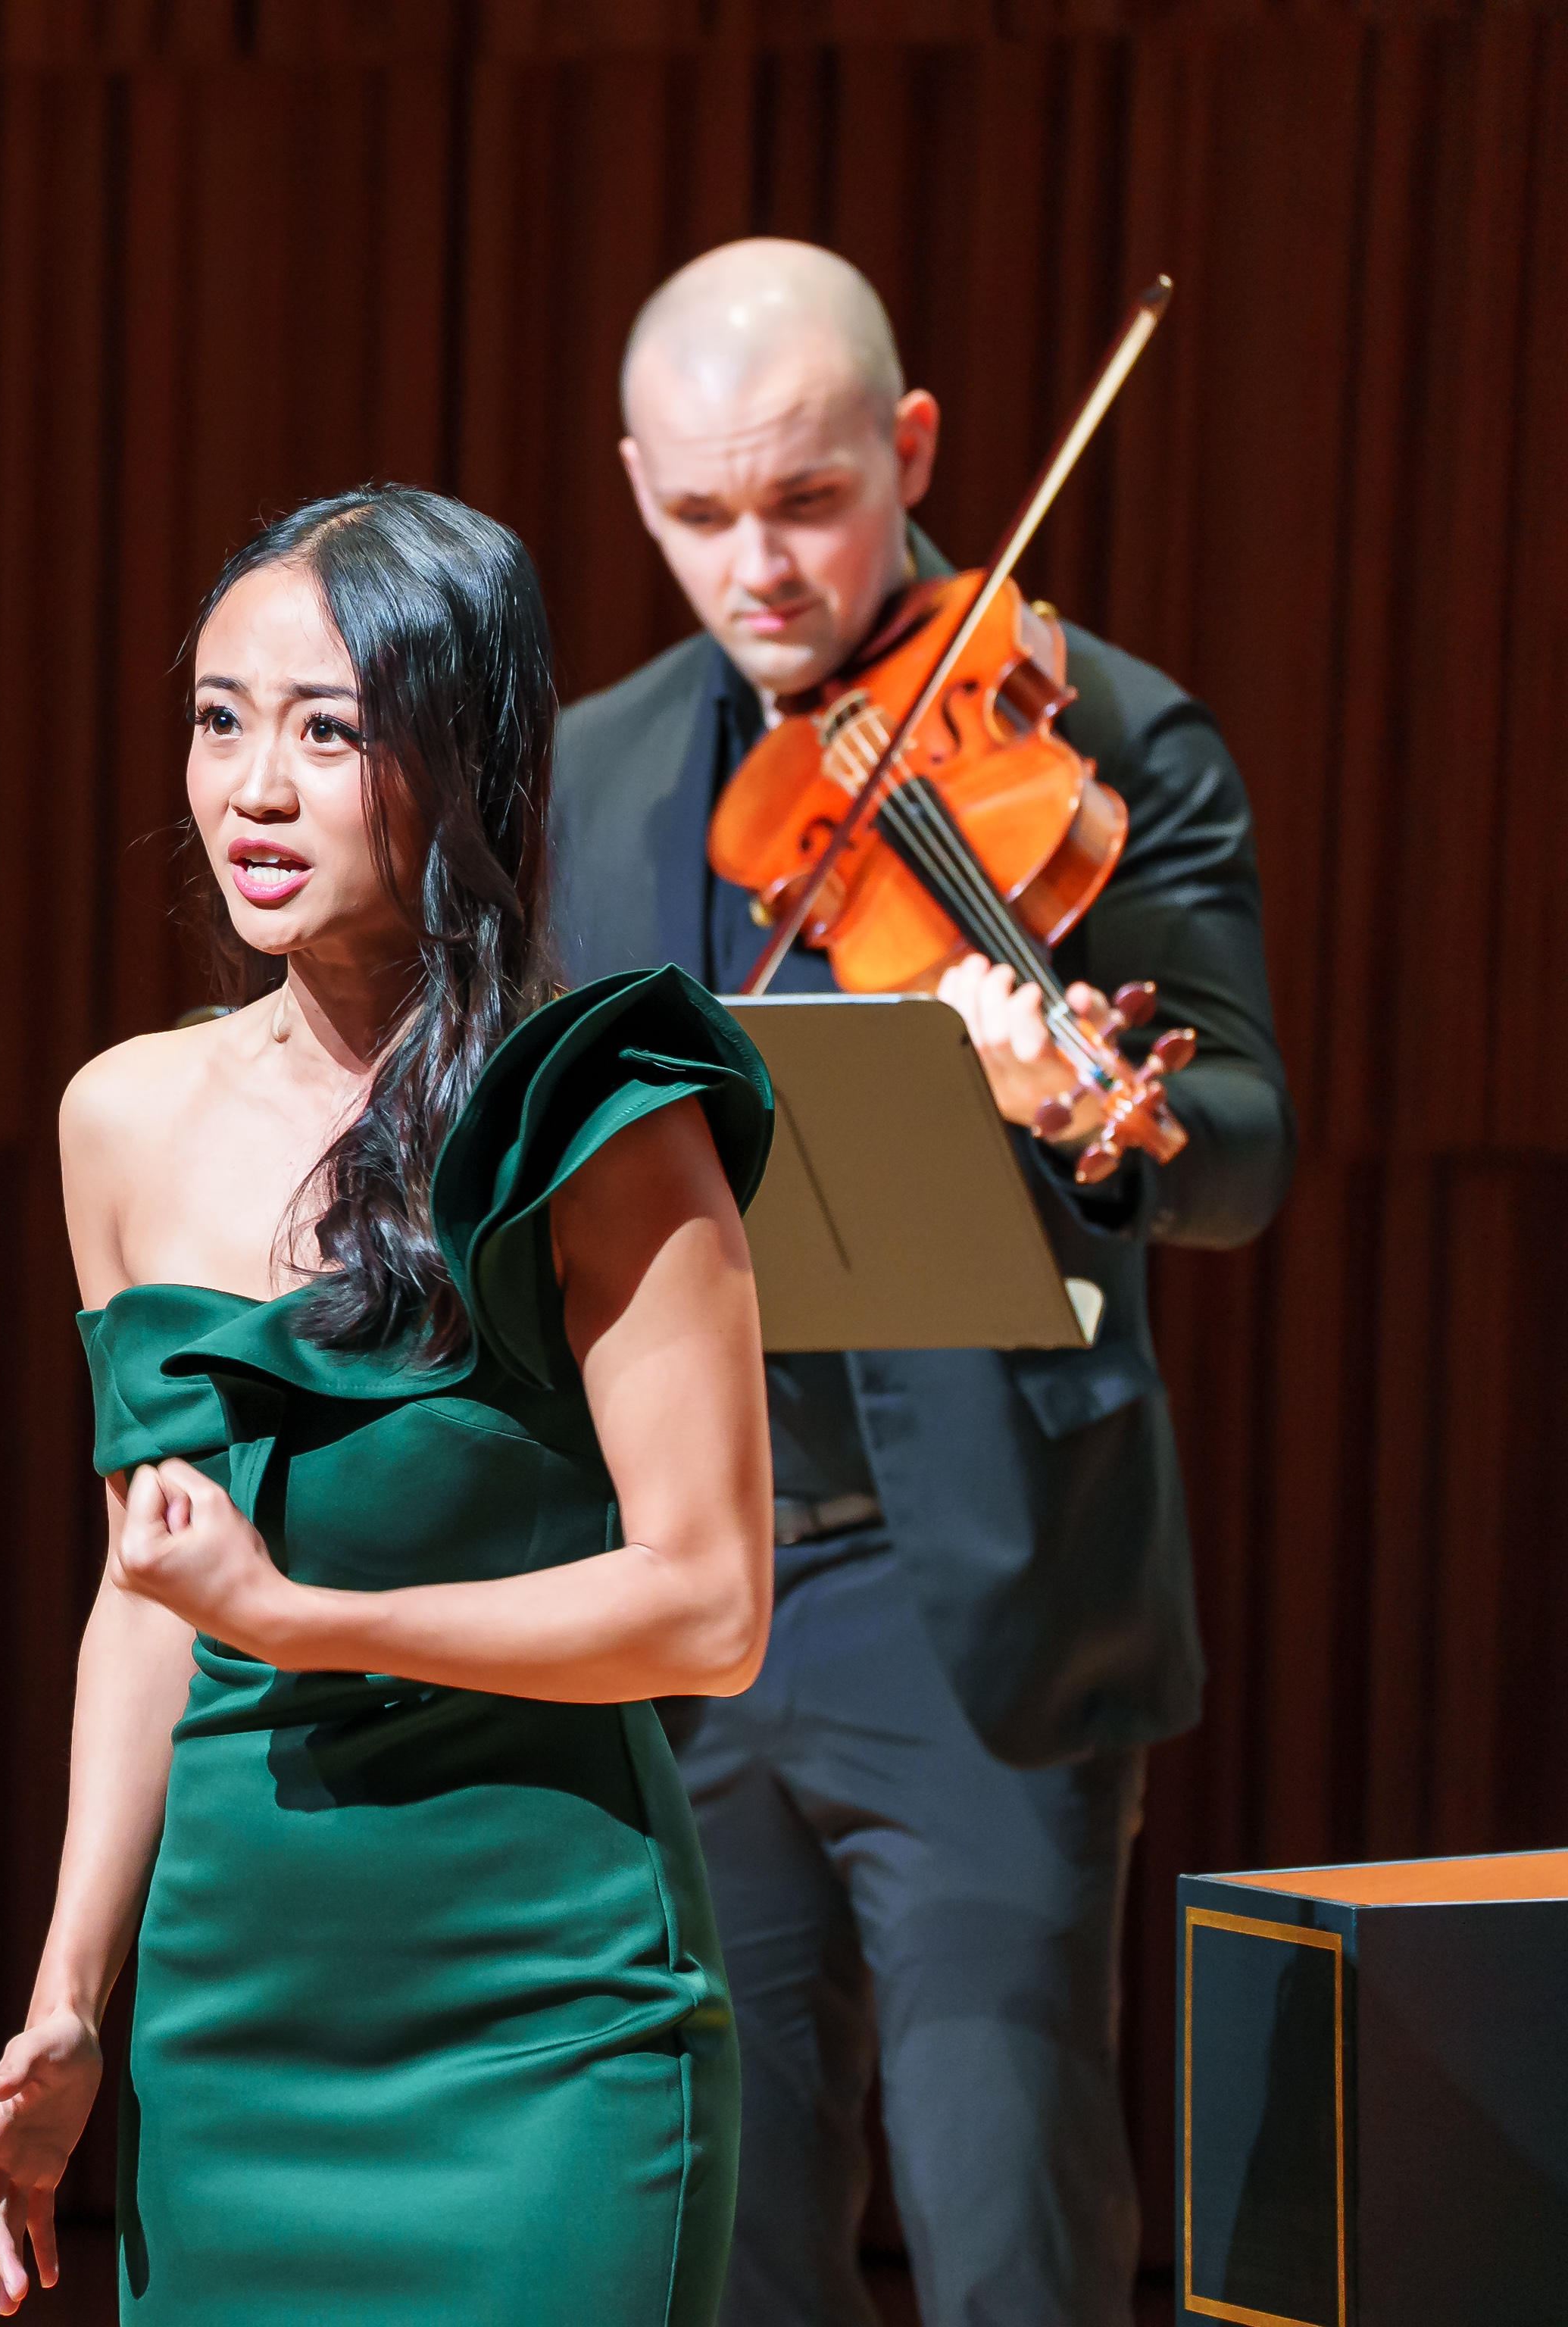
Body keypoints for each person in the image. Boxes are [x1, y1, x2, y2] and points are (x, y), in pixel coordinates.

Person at [0, 487, 779, 2322]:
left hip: (542, 2022)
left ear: (463, 755)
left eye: (330, 730)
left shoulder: (605, 1112)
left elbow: (710, 1610)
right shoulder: (122, 1118)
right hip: (234, 2012)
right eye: (221, 717)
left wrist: (302, 1622)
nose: (252, 785)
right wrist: (70, 2005)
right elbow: (146, 1602)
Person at [554, 241, 1295, 2327]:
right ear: (635, 484)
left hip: (971, 1596)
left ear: (918, 448)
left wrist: (1097, 1121)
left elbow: (1241, 1142)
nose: (759, 568)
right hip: (682, 1606)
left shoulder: (1101, 731)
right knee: (729, 2245)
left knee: (1013, 2242)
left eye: (807, 501)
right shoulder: (597, 770)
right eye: (701, 515)